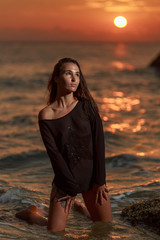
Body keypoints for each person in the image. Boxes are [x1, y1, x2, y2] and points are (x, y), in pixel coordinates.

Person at [15, 57, 112, 232]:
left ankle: (81, 208)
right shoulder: (46, 115)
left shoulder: (87, 106)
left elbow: (99, 144)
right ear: (56, 78)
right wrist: (70, 188)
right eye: (69, 74)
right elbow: (55, 156)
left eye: (77, 74)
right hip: (65, 181)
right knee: (54, 233)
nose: (75, 79)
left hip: (93, 179)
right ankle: (32, 214)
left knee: (104, 228)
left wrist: (100, 181)